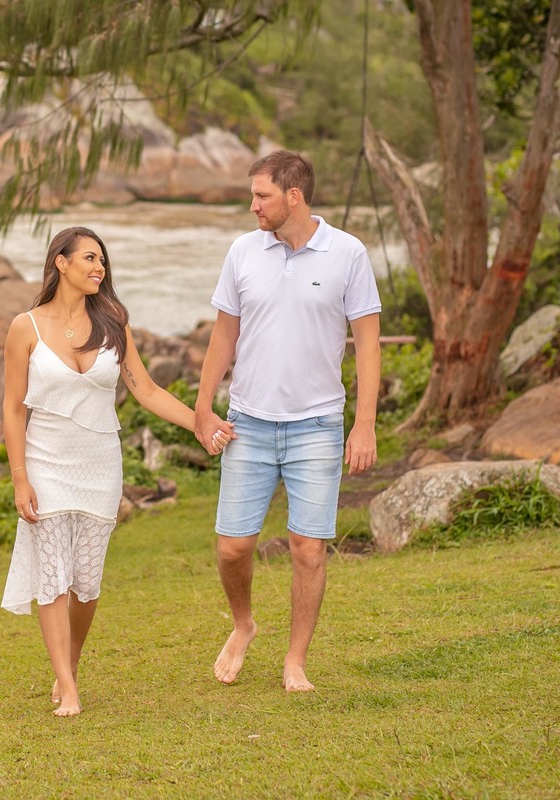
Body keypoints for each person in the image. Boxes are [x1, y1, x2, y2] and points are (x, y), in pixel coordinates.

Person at [0, 226, 235, 717]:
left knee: (86, 582)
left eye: (102, 260)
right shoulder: (26, 327)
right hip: (45, 464)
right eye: (88, 257)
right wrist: (19, 477)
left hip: (99, 463)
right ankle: (67, 684)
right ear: (60, 262)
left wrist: (200, 422)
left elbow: (146, 391)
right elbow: (13, 408)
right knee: (53, 576)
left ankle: (71, 662)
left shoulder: (113, 323)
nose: (98, 267)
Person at [194, 150, 382, 692]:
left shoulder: (347, 253)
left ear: (293, 196)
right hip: (247, 422)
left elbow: (367, 343)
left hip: (318, 425)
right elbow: (223, 334)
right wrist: (203, 409)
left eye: (261, 196)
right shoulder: (242, 252)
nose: (252, 205)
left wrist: (363, 423)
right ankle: (243, 624)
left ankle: (295, 660)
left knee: (308, 548)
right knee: (233, 547)